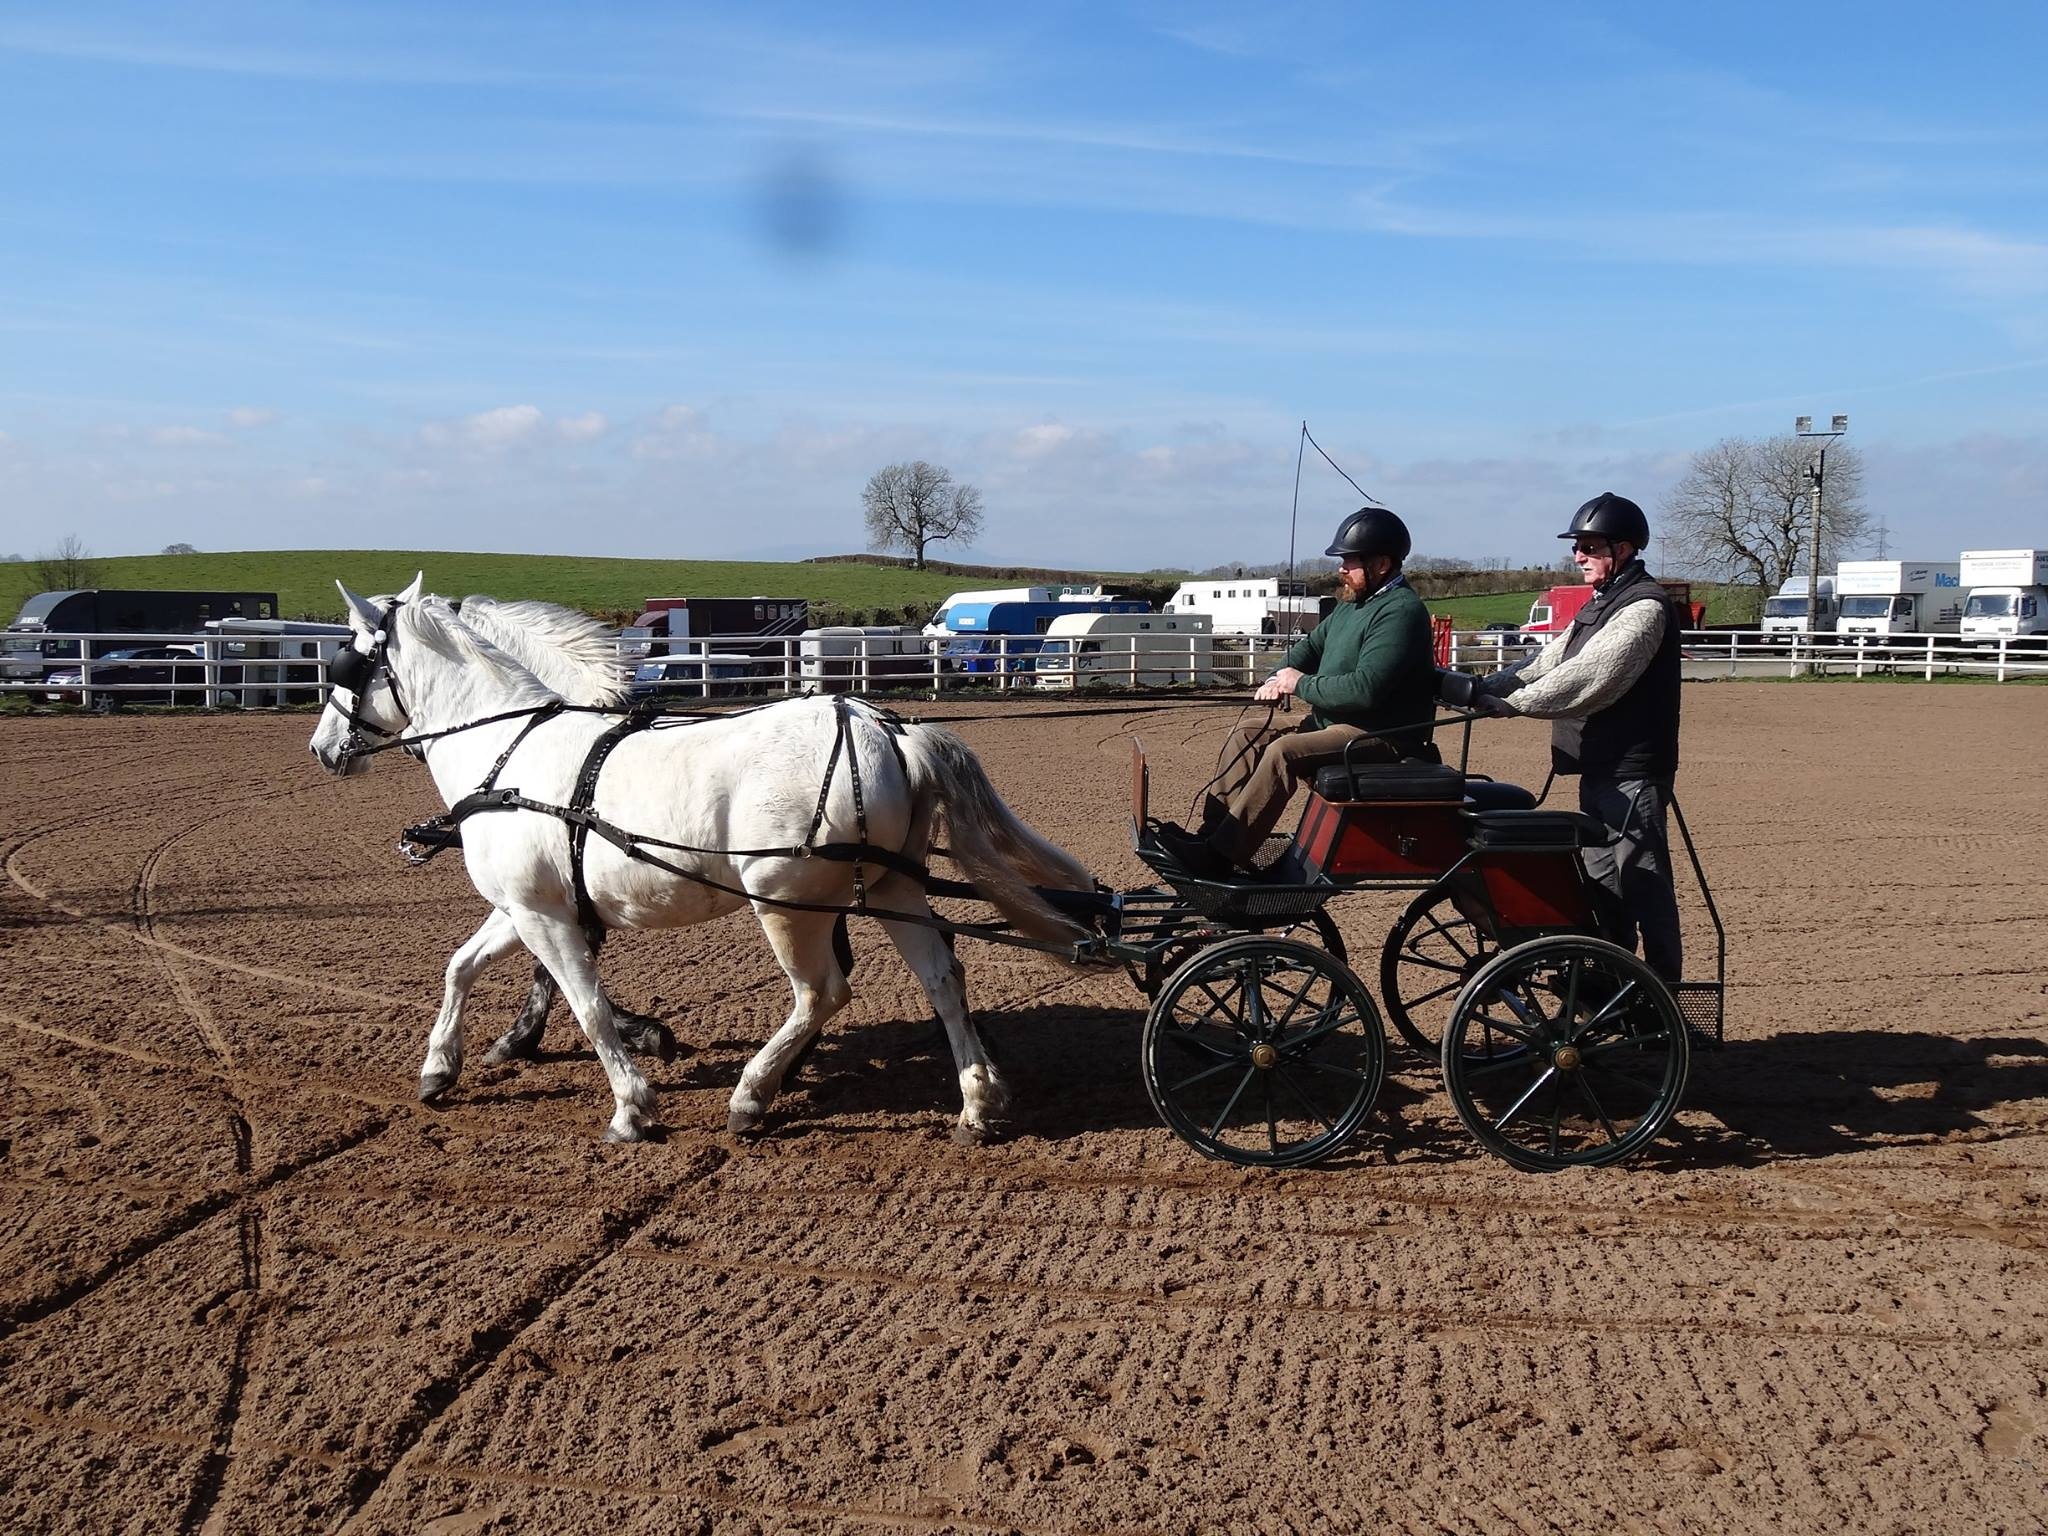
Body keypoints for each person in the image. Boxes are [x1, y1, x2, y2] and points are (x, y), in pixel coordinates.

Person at [1470, 492, 1684, 981]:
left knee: (1643, 886)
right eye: (1577, 546)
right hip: (1599, 768)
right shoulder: (1602, 603)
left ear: (1623, 549)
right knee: (1602, 886)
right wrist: (1484, 686)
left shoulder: (1644, 608)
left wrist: (1512, 703)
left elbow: (1591, 675)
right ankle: (1615, 985)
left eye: (1589, 546)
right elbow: (1549, 661)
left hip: (1633, 774)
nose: (1578, 555)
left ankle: (1665, 993)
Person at [1156, 506, 1438, 876]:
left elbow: (1365, 690)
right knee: (1248, 732)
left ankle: (1223, 855)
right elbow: (1310, 647)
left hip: (1381, 733)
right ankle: (1212, 836)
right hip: (1336, 722)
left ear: (1382, 564)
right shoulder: (1353, 604)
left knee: (1283, 752)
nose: (1341, 568)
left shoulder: (1400, 612)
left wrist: (1301, 683)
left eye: (1349, 560)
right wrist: (1277, 677)